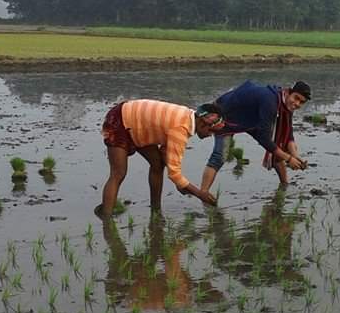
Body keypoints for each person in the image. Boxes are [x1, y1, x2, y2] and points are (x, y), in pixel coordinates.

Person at [96, 99, 224, 218]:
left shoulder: (189, 118)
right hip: (121, 119)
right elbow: (174, 173)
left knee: (157, 163)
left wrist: (180, 184)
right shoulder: (181, 128)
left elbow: (165, 152)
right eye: (211, 131)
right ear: (202, 123)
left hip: (140, 126)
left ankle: (156, 210)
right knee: (118, 173)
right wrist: (200, 194)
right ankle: (107, 219)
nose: (210, 135)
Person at [200, 80, 311, 192]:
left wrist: (295, 156)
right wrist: (288, 158)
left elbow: (288, 132)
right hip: (226, 116)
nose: (297, 103)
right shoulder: (270, 101)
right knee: (219, 157)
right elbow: (264, 139)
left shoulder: (285, 104)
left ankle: (284, 185)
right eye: (296, 98)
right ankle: (203, 193)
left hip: (250, 120)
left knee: (277, 145)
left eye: (301, 102)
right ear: (288, 92)